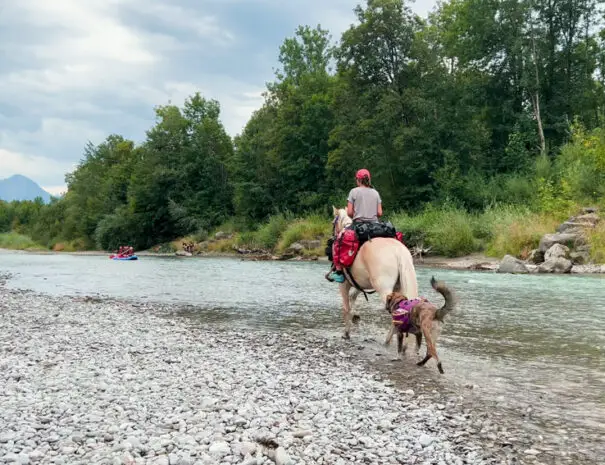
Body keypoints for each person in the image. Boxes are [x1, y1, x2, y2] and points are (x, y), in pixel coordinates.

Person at [328, 168, 383, 283]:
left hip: (359, 226)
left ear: (358, 180)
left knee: (338, 241)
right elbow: (379, 213)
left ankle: (339, 272)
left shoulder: (354, 192)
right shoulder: (376, 193)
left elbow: (349, 213)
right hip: (376, 227)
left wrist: (357, 214)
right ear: (369, 179)